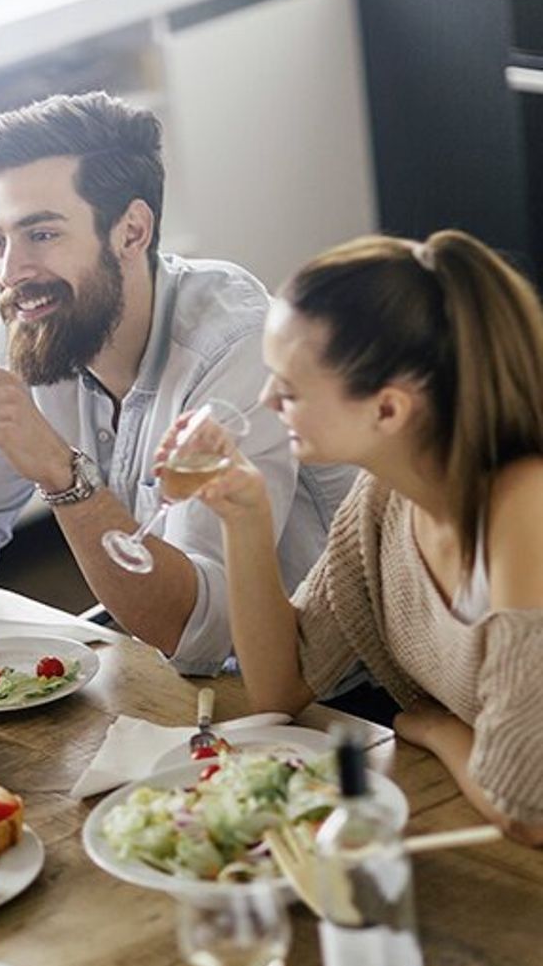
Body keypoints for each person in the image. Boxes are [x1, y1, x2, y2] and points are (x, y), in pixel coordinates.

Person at [0, 91, 353, 675]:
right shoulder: (33, 325)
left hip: (327, 686)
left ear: (131, 231)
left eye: (42, 235)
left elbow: (199, 631)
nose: (11, 271)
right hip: (170, 669)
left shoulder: (236, 347)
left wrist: (58, 471)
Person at [184, 230, 543, 844]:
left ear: (387, 411)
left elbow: (528, 808)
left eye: (289, 389)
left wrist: (437, 730)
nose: (267, 401)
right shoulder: (385, 499)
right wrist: (244, 519)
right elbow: (280, 687)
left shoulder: (523, 505)